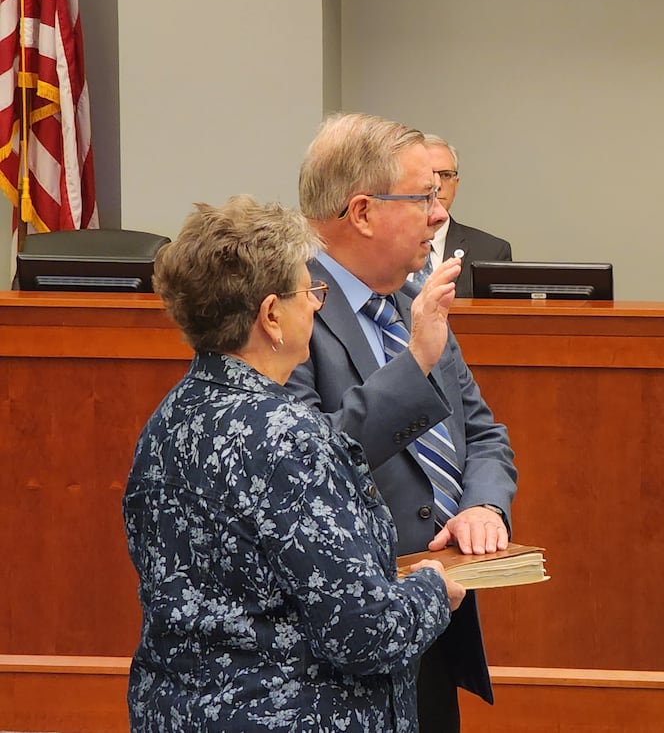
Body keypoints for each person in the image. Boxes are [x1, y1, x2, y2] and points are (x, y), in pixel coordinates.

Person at [124, 195, 466, 732]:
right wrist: (432, 589)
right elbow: (361, 633)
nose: (316, 305)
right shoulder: (291, 439)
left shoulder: (167, 422)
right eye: (309, 292)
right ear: (271, 315)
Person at [290, 113, 519, 733]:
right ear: (362, 212)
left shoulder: (409, 298)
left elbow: (484, 434)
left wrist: (484, 508)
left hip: (435, 619)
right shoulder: (286, 313)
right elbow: (304, 466)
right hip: (340, 646)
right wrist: (415, 361)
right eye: (423, 197)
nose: (439, 214)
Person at [414, 133, 514, 297]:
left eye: (446, 175)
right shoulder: (386, 246)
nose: (437, 185)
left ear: (456, 185)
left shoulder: (491, 252)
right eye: (428, 174)